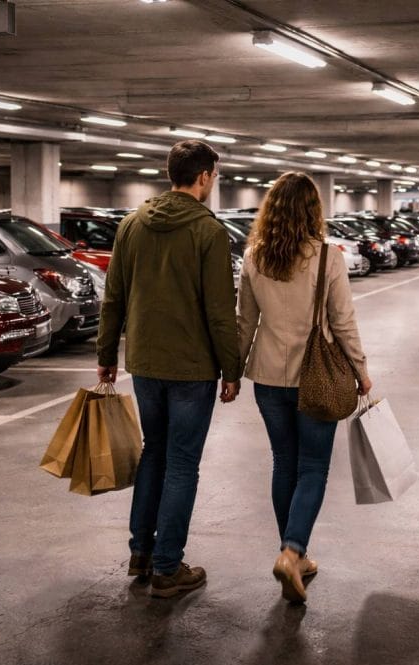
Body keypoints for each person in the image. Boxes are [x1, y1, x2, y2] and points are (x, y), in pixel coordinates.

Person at [96, 140, 240, 599]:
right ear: (202, 177)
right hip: (192, 367)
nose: (213, 183)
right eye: (214, 176)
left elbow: (113, 297)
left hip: (145, 363)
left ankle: (141, 553)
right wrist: (231, 368)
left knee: (154, 454)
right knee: (182, 463)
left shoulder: (131, 225)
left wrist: (105, 356)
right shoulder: (208, 231)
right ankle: (168, 567)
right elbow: (220, 310)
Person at [236, 171, 372, 603]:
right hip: (316, 379)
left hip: (269, 378)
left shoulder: (255, 256)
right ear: (314, 211)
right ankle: (293, 552)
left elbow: (245, 323)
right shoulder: (328, 257)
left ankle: (293, 554)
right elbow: (343, 323)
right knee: (313, 468)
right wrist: (362, 371)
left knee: (283, 463)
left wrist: (232, 371)